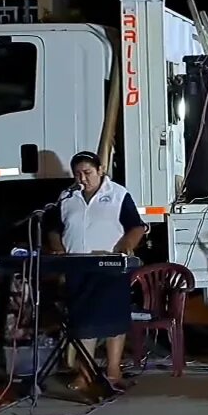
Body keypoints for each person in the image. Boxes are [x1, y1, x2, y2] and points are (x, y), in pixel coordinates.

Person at [44, 151, 147, 392]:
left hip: (109, 265)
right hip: (77, 266)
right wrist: (58, 249)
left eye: (87, 173)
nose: (82, 178)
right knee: (83, 321)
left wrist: (125, 246)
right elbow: (53, 228)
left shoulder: (118, 195)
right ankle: (85, 373)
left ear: (101, 170)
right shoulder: (67, 197)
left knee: (114, 320)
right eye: (78, 174)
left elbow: (136, 226)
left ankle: (113, 371)